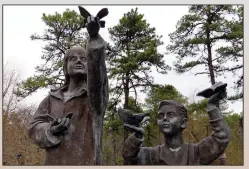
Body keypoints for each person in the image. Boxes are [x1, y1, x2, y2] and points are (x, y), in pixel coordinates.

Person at [28, 14, 108, 165]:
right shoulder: (52, 98)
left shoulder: (94, 98)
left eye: (83, 58)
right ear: (65, 67)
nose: (78, 60)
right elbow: (33, 126)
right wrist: (50, 129)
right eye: (73, 58)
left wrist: (94, 38)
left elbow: (99, 80)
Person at [122, 88, 230, 165]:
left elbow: (221, 137)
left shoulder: (196, 152)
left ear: (183, 122)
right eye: (160, 115)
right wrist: (136, 137)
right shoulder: (151, 154)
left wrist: (212, 107)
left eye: (171, 115)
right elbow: (129, 157)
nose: (164, 118)